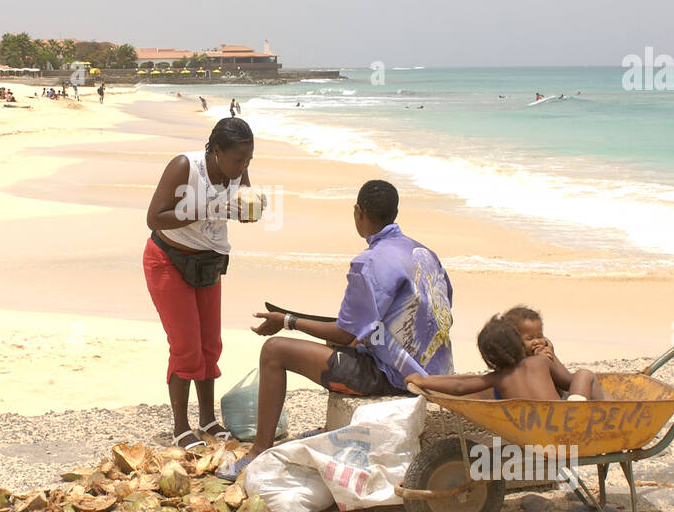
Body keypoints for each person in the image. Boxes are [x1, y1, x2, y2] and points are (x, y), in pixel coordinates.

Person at [221, 180, 454, 478]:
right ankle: (332, 429)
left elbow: (344, 333)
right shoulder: (423, 253)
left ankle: (257, 452)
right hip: (435, 368)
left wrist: (287, 322)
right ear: (394, 213)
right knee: (338, 344)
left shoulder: (368, 263)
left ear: (358, 213)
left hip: (397, 377)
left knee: (274, 351)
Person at [144, 117, 260, 450]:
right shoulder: (185, 167)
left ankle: (207, 420)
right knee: (186, 346)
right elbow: (154, 217)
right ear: (216, 151)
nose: (243, 167)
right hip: (168, 258)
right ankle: (181, 428)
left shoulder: (237, 171)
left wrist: (251, 208)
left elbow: (241, 202)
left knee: (210, 345)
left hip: (208, 262)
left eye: (248, 160)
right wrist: (209, 207)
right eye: (238, 159)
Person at [406, 315, 597, 402]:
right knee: (584, 374)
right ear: (518, 344)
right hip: (564, 423)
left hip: (535, 434)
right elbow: (568, 383)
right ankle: (577, 410)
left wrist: (423, 380)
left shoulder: (498, 378)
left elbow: (460, 386)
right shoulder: (540, 362)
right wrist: (553, 357)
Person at [503, 305, 604, 399]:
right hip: (553, 411)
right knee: (584, 375)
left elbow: (567, 383)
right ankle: (580, 410)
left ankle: (616, 411)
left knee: (594, 385)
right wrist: (544, 360)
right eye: (530, 338)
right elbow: (568, 383)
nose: (537, 341)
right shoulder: (535, 363)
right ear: (513, 341)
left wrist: (552, 356)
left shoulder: (544, 358)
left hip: (552, 409)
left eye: (540, 336)